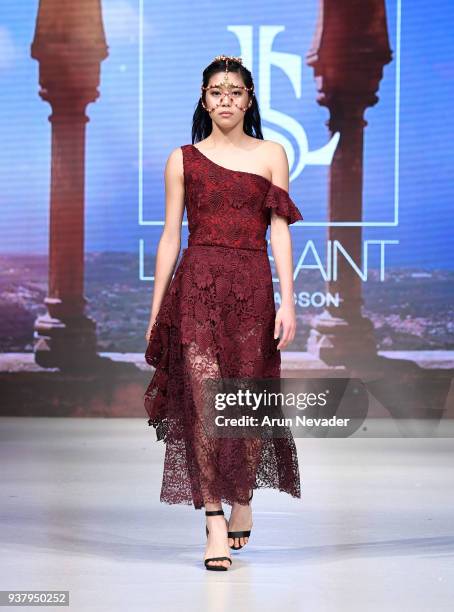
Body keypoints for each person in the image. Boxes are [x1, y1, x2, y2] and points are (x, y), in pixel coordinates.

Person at [144, 55, 303, 571]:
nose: (226, 100)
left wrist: (290, 299)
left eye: (236, 91)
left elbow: (280, 229)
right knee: (202, 402)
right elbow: (170, 236)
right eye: (217, 91)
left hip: (253, 287)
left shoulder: (272, 154)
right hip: (197, 288)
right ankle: (213, 519)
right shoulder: (183, 159)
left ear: (250, 99)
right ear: (204, 97)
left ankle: (242, 496)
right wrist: (156, 310)